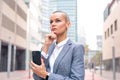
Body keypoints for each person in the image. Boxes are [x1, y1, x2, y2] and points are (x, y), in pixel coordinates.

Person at [30, 10, 85, 80]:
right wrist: (46, 46)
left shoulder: (76, 48)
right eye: (51, 22)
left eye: (58, 21)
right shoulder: (47, 47)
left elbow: (77, 79)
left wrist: (46, 75)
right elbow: (37, 76)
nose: (53, 24)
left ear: (68, 24)